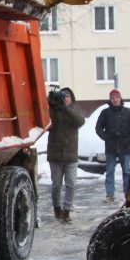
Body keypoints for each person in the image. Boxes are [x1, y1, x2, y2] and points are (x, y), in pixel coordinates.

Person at [46, 87, 85, 222]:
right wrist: (50, 104)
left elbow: (80, 121)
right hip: (55, 155)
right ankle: (57, 208)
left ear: (72, 98)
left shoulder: (74, 110)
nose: (66, 98)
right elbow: (47, 124)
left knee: (71, 184)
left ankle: (67, 210)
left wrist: (65, 108)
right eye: (64, 96)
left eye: (68, 96)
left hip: (71, 155)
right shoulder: (54, 110)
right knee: (56, 184)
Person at [95, 88, 130, 202]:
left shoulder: (128, 112)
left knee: (127, 172)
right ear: (110, 99)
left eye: (117, 97)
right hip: (111, 147)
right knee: (109, 171)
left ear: (120, 98)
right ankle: (110, 194)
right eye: (112, 98)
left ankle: (128, 194)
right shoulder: (106, 112)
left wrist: (129, 138)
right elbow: (98, 128)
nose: (115, 100)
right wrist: (107, 138)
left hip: (125, 146)